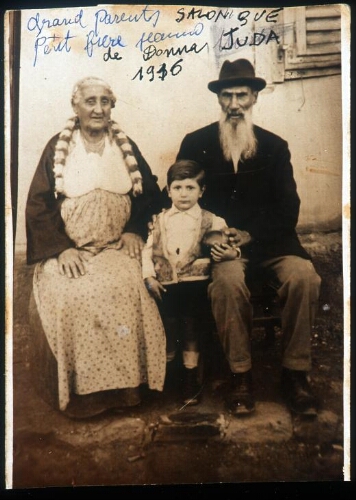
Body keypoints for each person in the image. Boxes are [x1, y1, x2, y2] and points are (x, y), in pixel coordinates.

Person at [175, 58, 322, 417]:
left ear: (255, 97)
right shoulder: (196, 143)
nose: (235, 104)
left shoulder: (274, 146)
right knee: (225, 285)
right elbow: (181, 201)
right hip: (222, 249)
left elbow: (288, 208)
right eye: (227, 96)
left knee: (305, 278)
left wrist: (251, 234)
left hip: (271, 243)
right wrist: (209, 236)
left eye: (242, 94)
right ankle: (241, 376)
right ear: (219, 100)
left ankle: (295, 375)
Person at [25, 76, 166, 418]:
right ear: (76, 106)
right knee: (72, 295)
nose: (98, 109)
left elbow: (149, 194)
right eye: (90, 101)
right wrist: (60, 249)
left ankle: (127, 390)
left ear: (112, 106)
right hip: (71, 250)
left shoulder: (124, 146)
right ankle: (84, 397)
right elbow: (38, 204)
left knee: (133, 288)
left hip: (116, 247)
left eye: (105, 101)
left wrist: (134, 231)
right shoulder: (58, 147)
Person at [141, 160, 237, 406]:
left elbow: (228, 245)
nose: (183, 194)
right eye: (178, 187)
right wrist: (148, 276)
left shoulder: (213, 220)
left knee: (192, 328)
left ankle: (190, 375)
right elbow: (147, 251)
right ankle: (169, 374)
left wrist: (229, 252)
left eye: (190, 188)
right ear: (169, 190)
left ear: (201, 191)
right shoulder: (159, 221)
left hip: (196, 287)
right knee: (168, 327)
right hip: (166, 288)